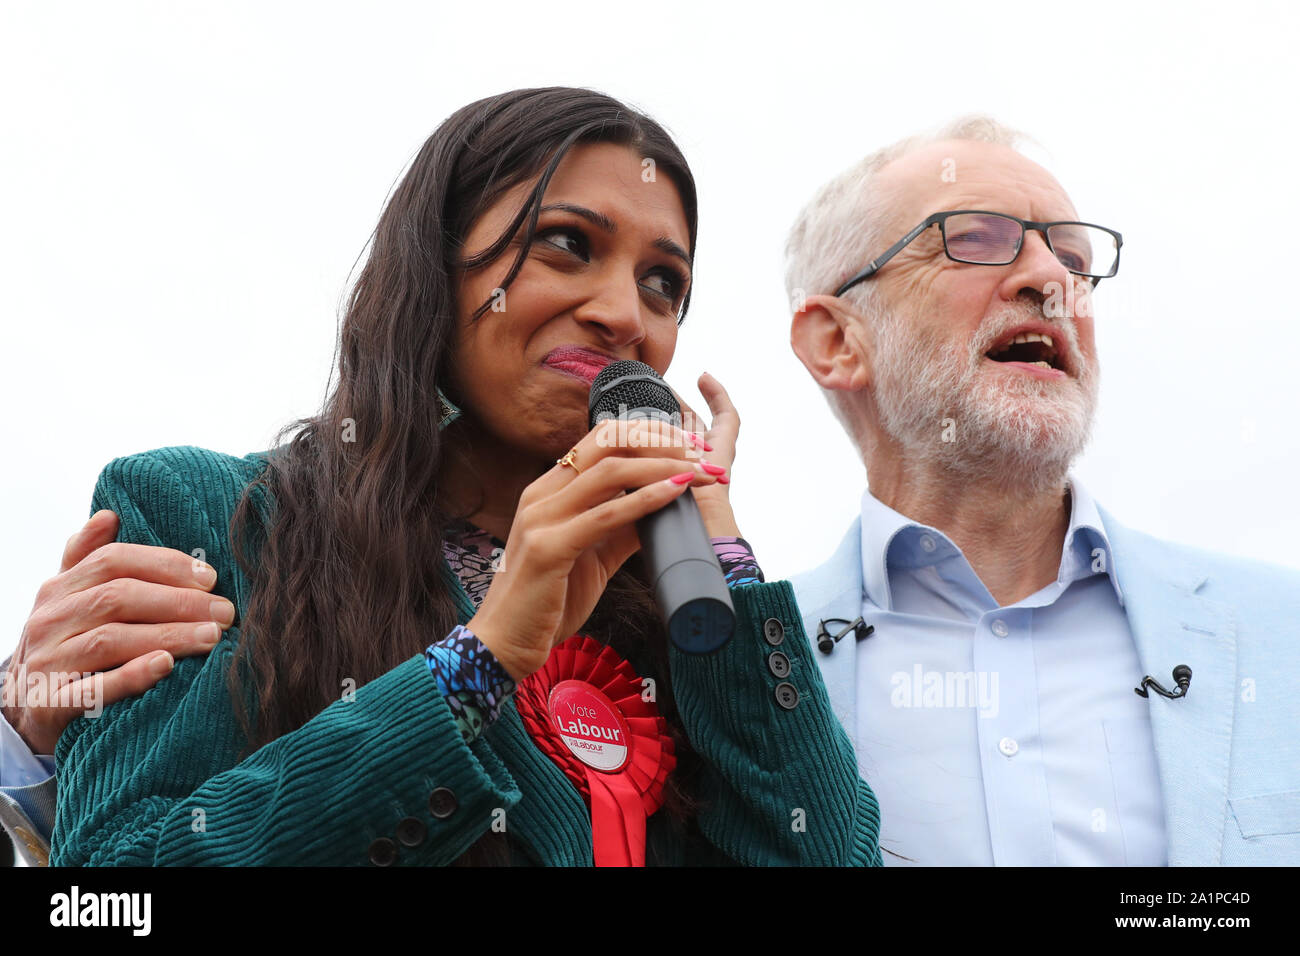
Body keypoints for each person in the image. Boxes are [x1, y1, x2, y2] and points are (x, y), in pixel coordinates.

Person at [1, 87, 881, 866]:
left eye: (663, 283)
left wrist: (721, 559)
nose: (623, 314)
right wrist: (478, 662)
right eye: (567, 245)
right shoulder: (208, 519)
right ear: (435, 270)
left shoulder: (677, 612)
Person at [783, 116, 1300, 866]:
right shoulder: (733, 674)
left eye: (1073, 257)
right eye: (976, 238)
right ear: (836, 341)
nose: (1052, 280)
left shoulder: (1283, 635)